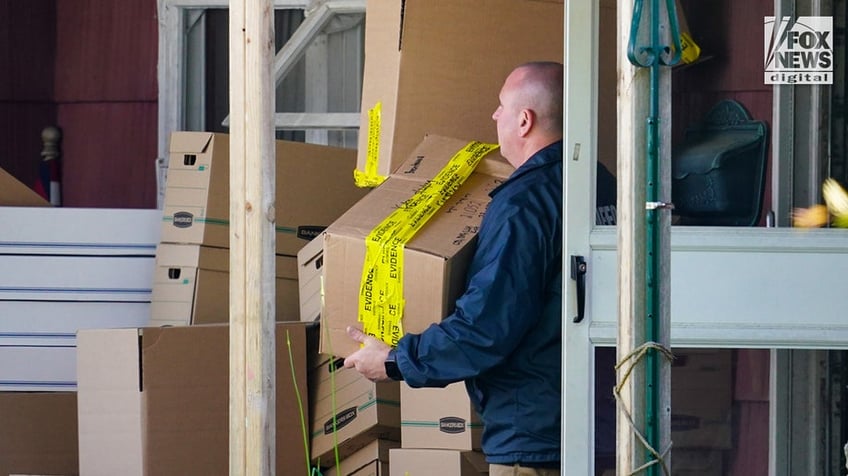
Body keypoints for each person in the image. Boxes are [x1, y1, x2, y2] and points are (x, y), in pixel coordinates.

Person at [343, 61, 566, 475]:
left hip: (533, 436)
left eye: (501, 107)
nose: (493, 116)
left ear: (524, 120)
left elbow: (486, 326)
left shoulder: (524, 206)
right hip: (592, 427)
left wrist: (395, 361)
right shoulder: (600, 185)